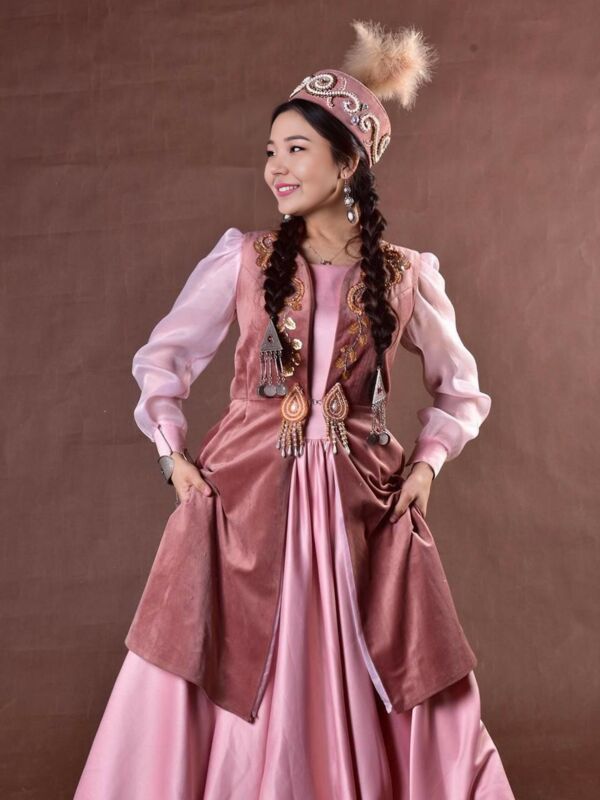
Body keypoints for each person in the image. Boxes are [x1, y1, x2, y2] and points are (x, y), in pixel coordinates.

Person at [74, 19, 516, 799]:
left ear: (347, 163)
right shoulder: (244, 259)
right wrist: (172, 454)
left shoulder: (404, 274)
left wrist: (426, 466)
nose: (275, 167)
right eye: (271, 150)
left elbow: (461, 387)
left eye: (296, 149)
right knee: (219, 652)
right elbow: (163, 359)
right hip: (246, 500)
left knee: (396, 656)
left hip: (360, 507)